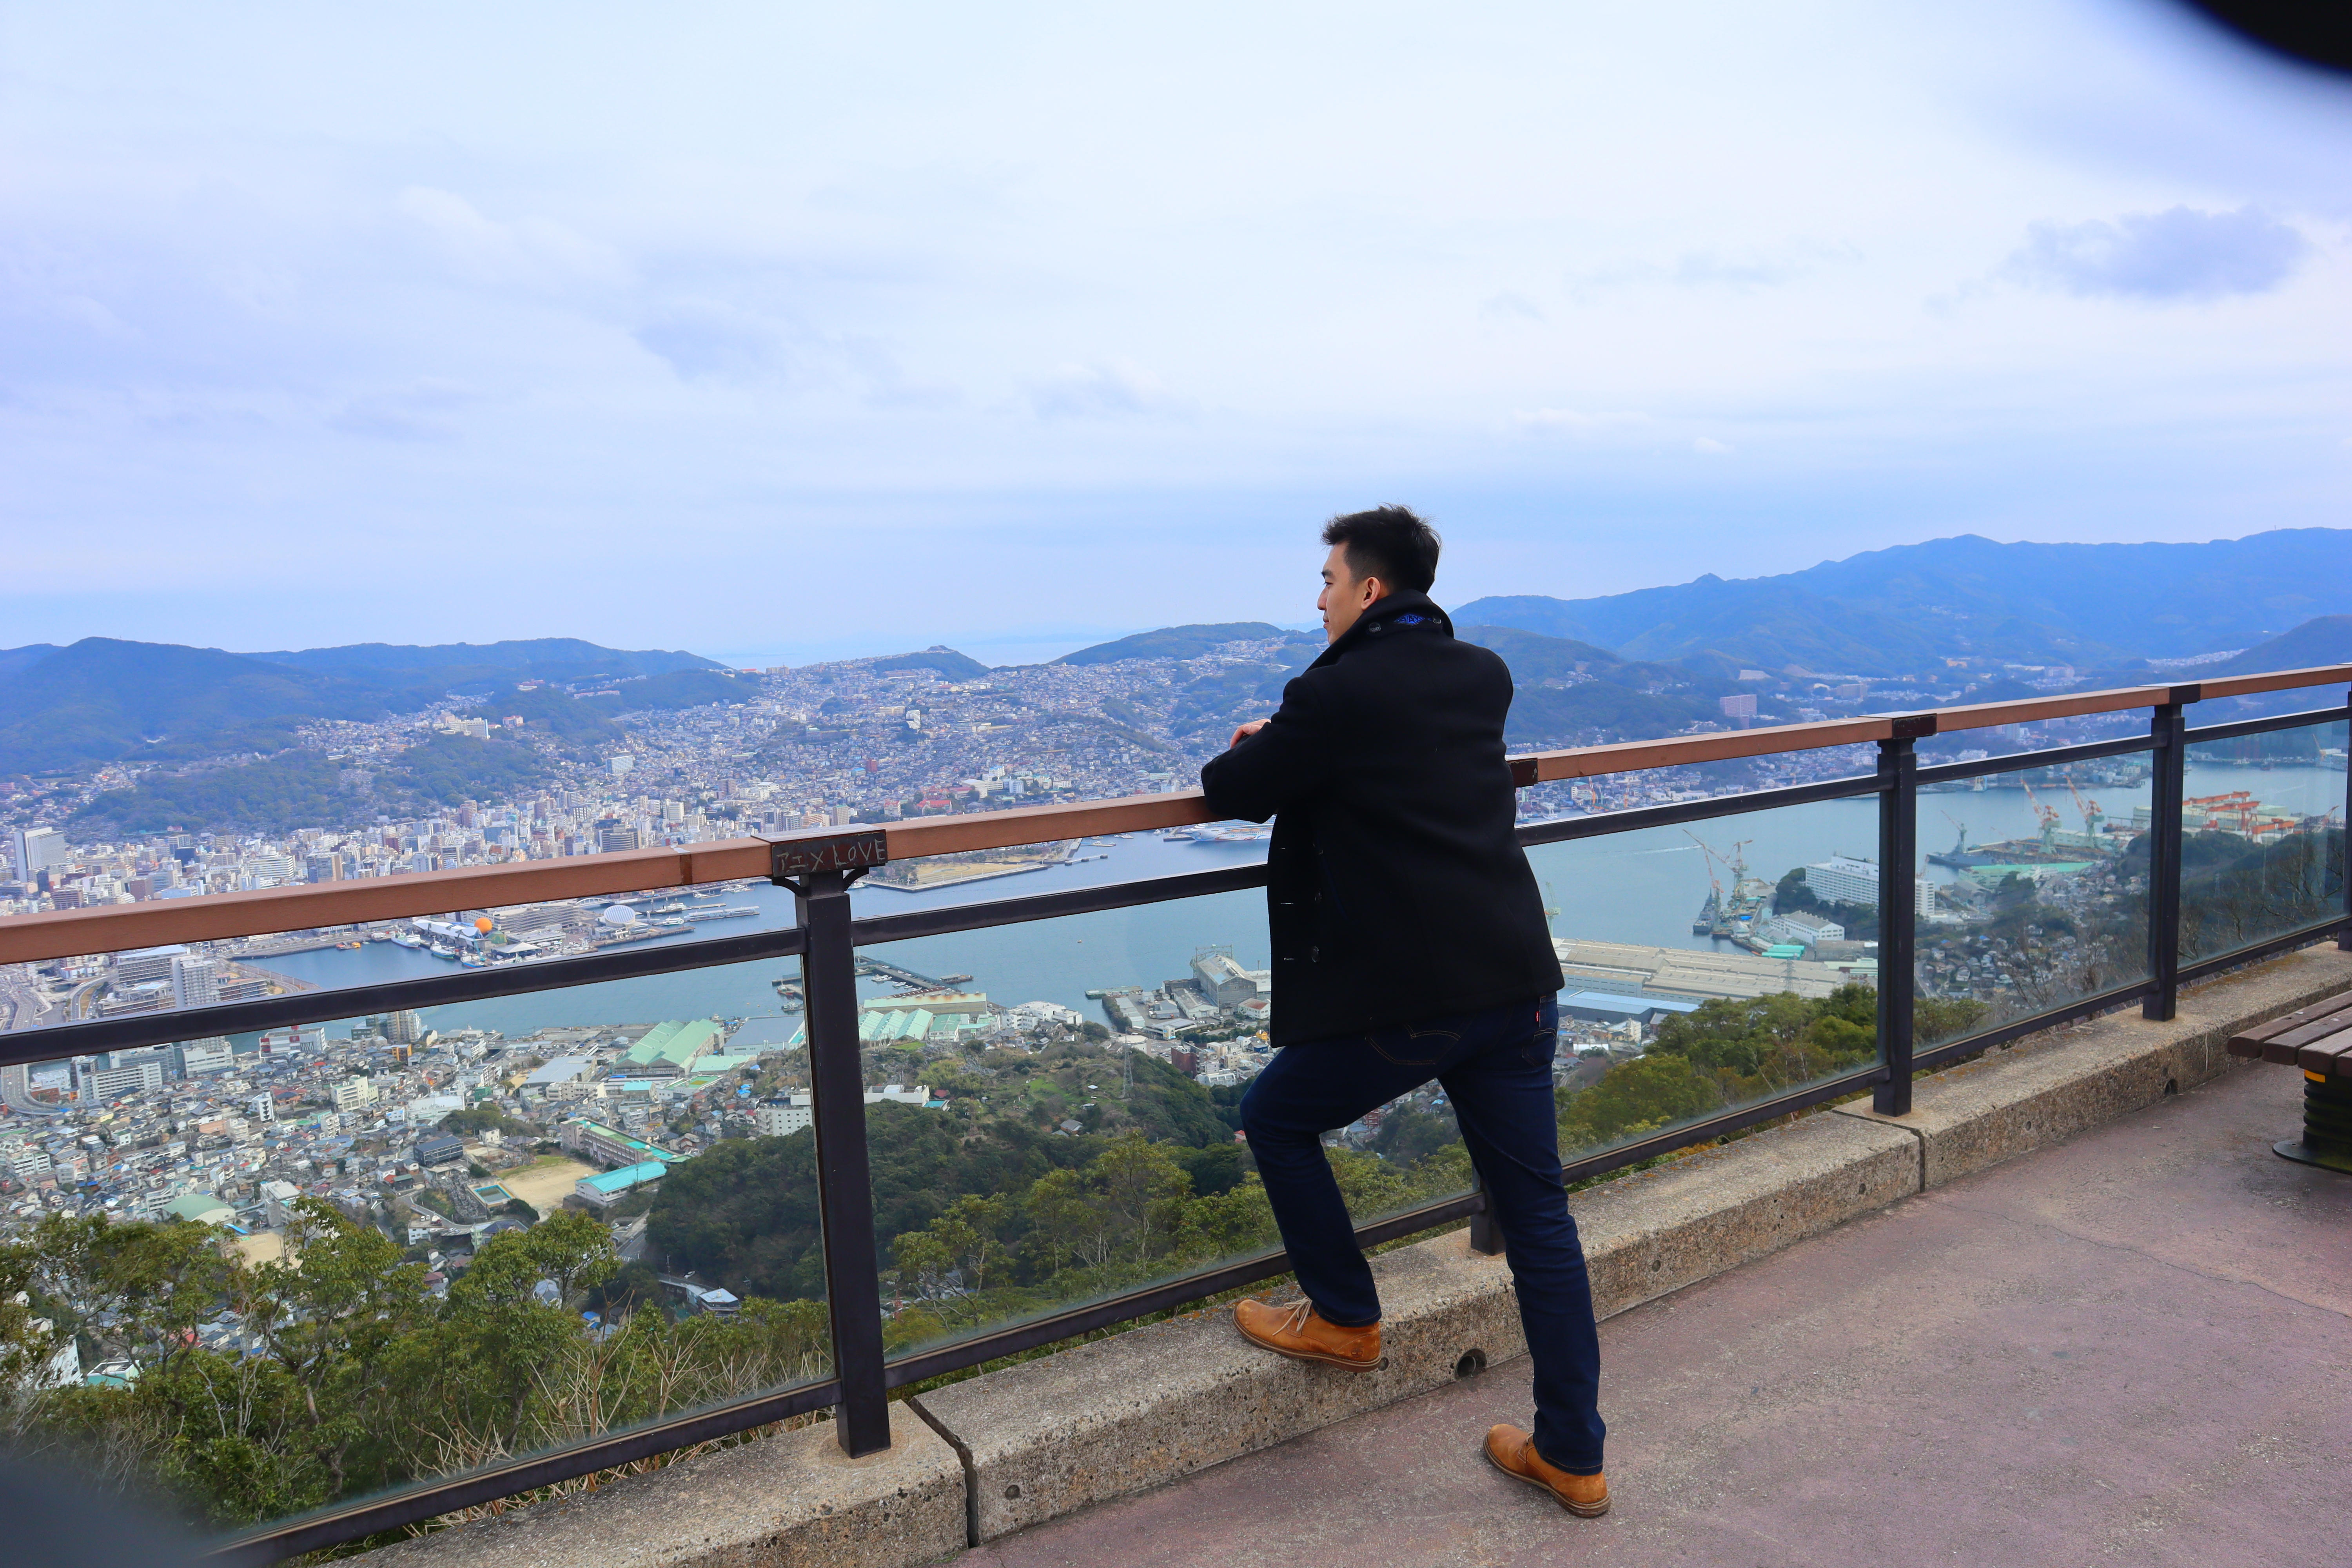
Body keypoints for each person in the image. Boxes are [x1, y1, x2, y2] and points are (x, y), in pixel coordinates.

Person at [1199, 505, 1610, 1518]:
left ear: (1370, 591)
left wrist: (1275, 737)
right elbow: (1405, 769)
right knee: (1541, 1221)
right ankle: (1573, 1453)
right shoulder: (1482, 676)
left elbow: (1231, 791)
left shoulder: (1335, 692)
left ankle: (1344, 1317)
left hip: (1419, 999)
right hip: (1518, 979)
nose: (1321, 597)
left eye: (1330, 581)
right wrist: (1304, 739)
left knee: (1276, 1116)